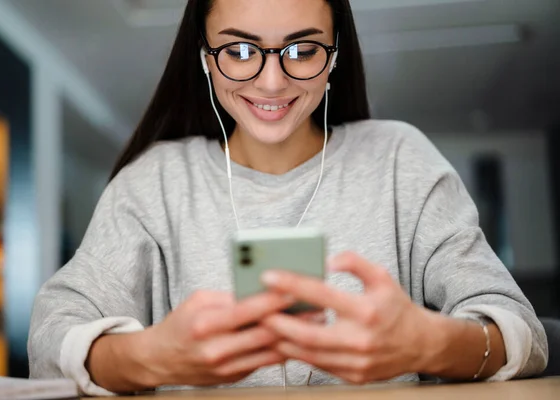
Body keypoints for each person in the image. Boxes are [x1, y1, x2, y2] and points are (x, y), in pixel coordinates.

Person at [28, 0, 548, 396]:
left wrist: (428, 343)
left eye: (303, 50)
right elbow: (53, 338)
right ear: (206, 59)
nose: (272, 81)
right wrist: (147, 357)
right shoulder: (154, 182)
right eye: (238, 50)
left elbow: (522, 332)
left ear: (334, 56)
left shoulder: (399, 159)